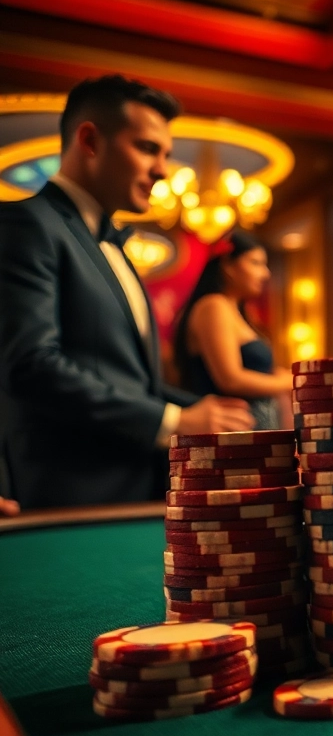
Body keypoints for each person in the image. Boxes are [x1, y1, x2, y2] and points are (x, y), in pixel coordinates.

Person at [0, 75, 254, 510]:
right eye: (148, 148)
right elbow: (33, 366)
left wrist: (209, 414)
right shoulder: (28, 224)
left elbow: (132, 383)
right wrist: (174, 419)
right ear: (90, 140)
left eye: (166, 155)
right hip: (71, 501)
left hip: (134, 493)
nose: (162, 170)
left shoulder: (113, 244)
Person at [175, 230, 291, 430]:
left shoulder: (235, 310)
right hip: (232, 436)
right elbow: (231, 379)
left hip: (250, 432)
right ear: (228, 265)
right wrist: (290, 382)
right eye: (255, 263)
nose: (265, 273)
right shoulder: (214, 305)